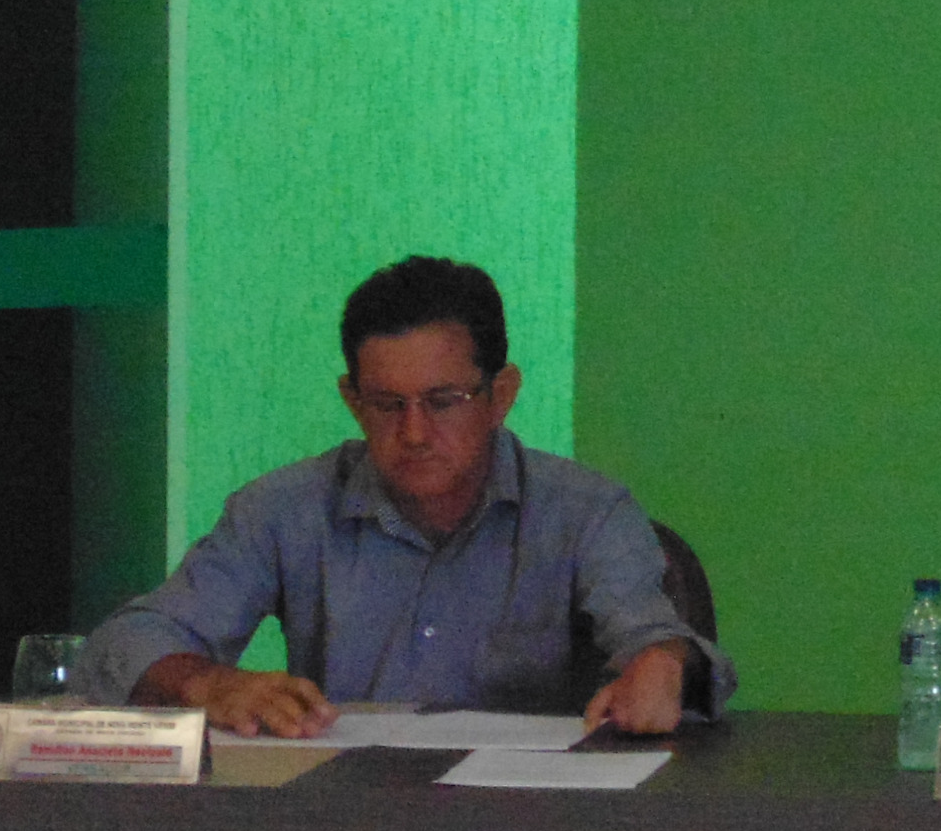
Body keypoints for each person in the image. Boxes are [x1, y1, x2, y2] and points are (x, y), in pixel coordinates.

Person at [83, 255, 731, 736]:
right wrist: (212, 684)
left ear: (501, 395)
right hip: (341, 823)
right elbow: (128, 640)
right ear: (352, 401)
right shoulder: (286, 509)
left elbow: (655, 637)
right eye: (387, 404)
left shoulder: (586, 511)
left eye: (443, 401)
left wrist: (662, 664)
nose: (414, 433)